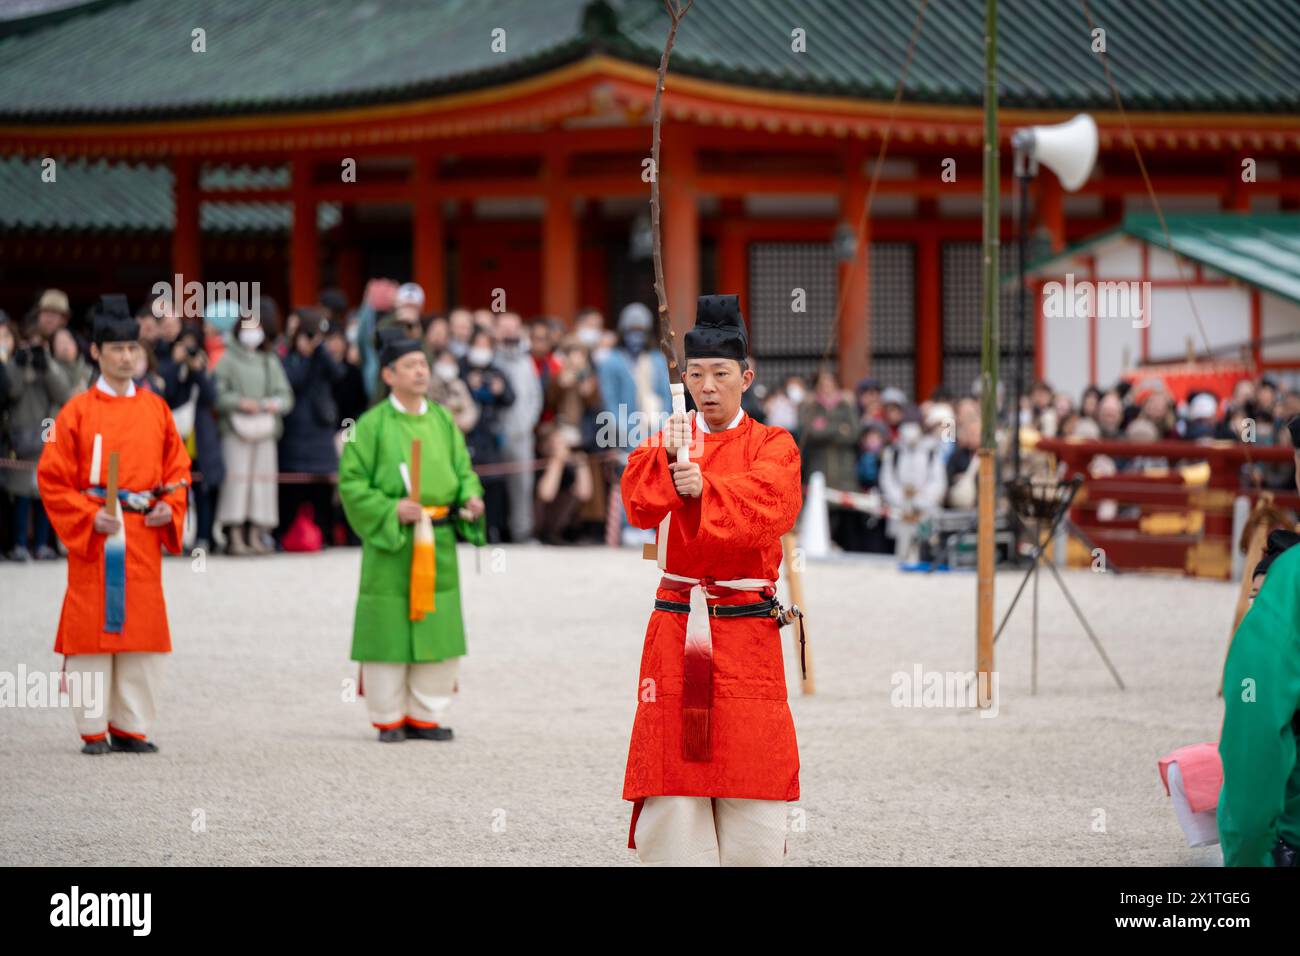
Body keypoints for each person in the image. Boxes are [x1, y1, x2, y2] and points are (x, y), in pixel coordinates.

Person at [620, 294, 803, 866]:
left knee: (750, 763)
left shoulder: (774, 444)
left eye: (721, 373)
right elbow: (636, 504)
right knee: (674, 769)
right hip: (677, 622)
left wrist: (708, 488)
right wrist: (668, 466)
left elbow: (773, 506)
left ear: (746, 376)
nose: (708, 386)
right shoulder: (670, 440)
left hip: (744, 628)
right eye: (696, 374)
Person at [36, 295, 190, 754]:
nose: (127, 356)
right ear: (96, 352)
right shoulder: (77, 411)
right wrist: (88, 517)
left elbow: (177, 470)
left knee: (141, 628)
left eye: (133, 349)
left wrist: (171, 505)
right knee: (91, 628)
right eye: (117, 348)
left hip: (141, 531)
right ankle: (92, 727)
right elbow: (52, 478)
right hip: (97, 533)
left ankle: (131, 725)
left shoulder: (156, 409)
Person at [338, 330, 486, 742]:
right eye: (411, 365)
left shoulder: (442, 420)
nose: (421, 371)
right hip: (393, 541)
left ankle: (426, 713)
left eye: (423, 364)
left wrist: (471, 498)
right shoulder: (370, 426)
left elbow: (464, 473)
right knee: (387, 624)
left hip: (436, 538)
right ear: (388, 374)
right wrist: (389, 509)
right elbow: (351, 484)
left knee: (437, 623)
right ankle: (388, 715)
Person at [214, 313, 293, 555]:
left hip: (264, 429)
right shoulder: (227, 359)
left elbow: (287, 396)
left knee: (262, 483)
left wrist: (273, 404)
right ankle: (234, 534)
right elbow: (217, 394)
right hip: (236, 430)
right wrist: (239, 402)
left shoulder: (269, 360)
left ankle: (257, 533)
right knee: (236, 483)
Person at [4, 316, 71, 560]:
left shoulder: (50, 364)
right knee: (21, 494)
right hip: (21, 434)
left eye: (38, 344)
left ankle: (43, 544)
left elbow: (63, 393)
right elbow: (11, 391)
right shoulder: (17, 364)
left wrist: (47, 366)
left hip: (46, 431)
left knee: (44, 495)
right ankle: (20, 543)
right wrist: (19, 366)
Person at [278, 308, 346, 547]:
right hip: (295, 430)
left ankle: (325, 533)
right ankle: (287, 532)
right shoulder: (287, 357)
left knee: (322, 485)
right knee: (293, 486)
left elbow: (339, 374)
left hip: (320, 428)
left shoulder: (321, 356)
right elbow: (294, 380)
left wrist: (320, 351)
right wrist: (306, 356)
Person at [493, 311, 543, 543]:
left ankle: (522, 532)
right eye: (504, 327)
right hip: (495, 435)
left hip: (522, 435)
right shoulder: (490, 359)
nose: (509, 332)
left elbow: (535, 396)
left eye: (514, 327)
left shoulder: (526, 361)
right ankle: (496, 530)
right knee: (494, 484)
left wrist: (527, 423)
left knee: (522, 486)